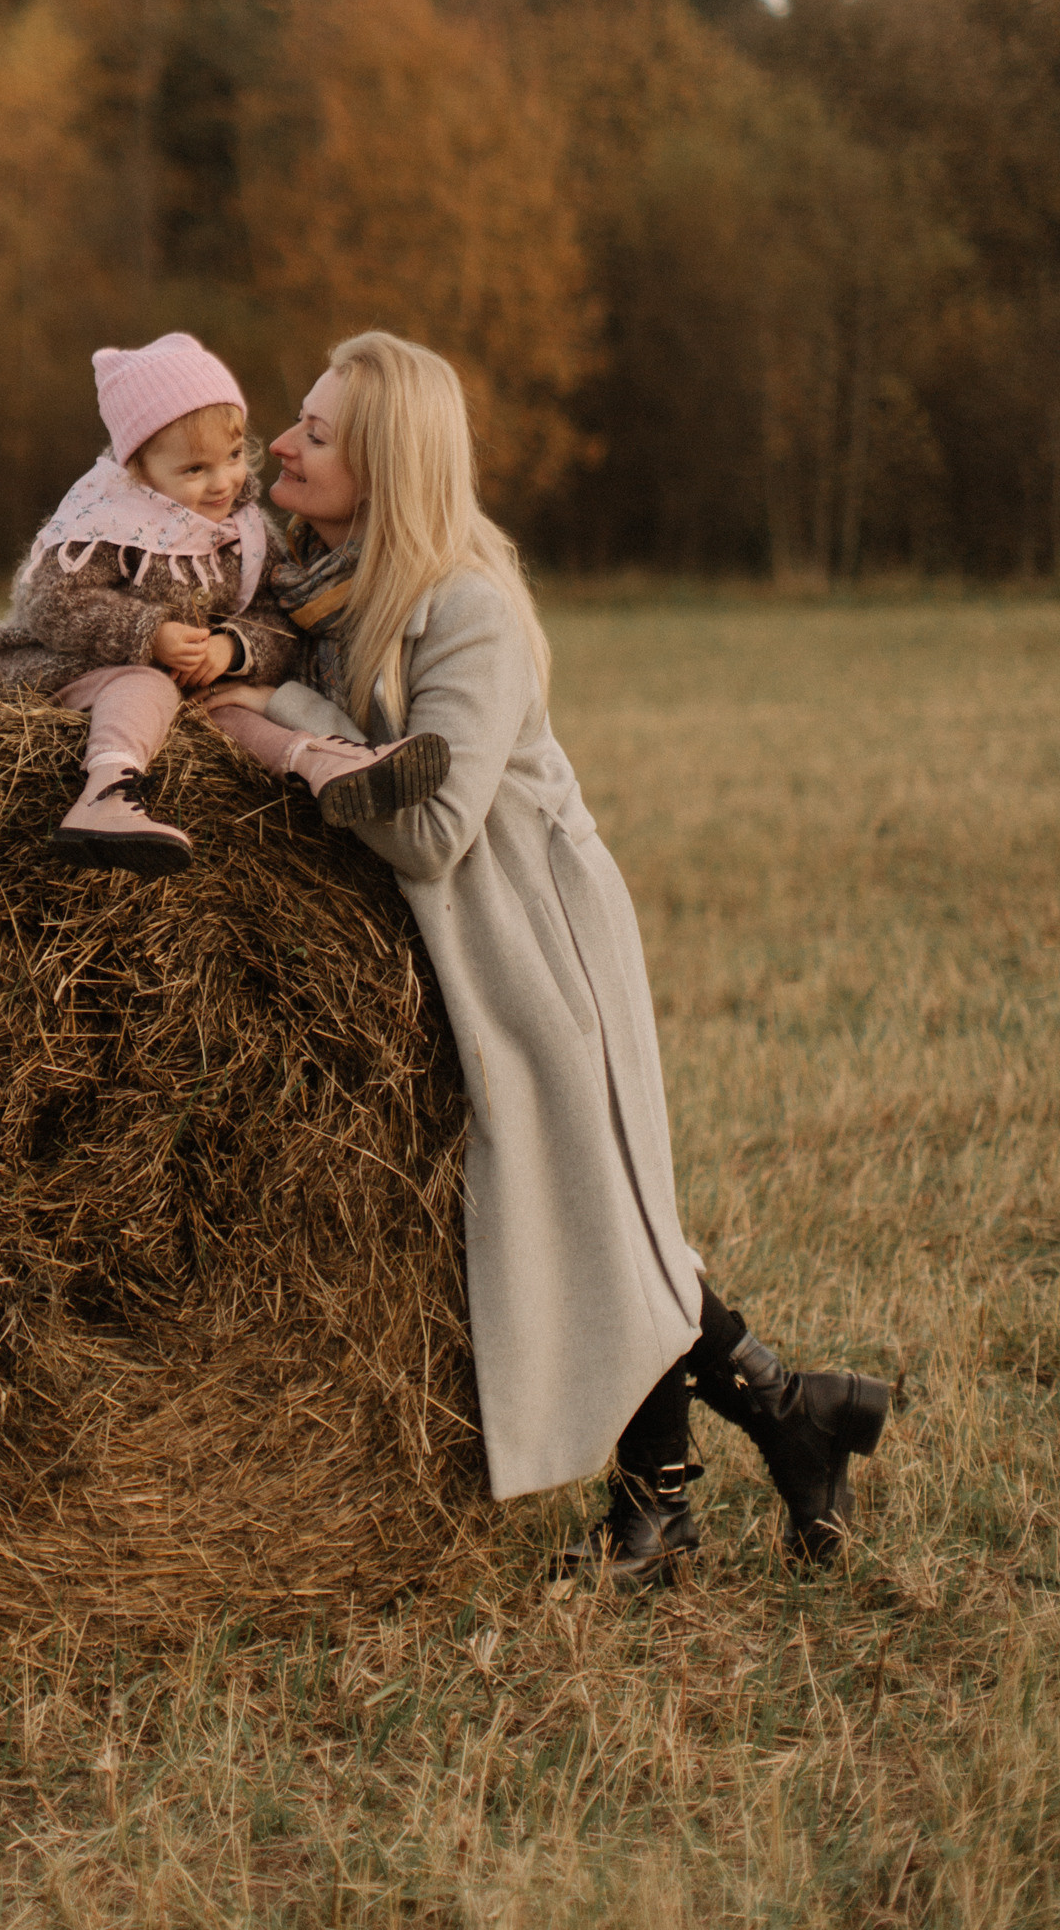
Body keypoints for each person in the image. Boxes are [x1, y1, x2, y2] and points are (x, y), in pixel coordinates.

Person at [206, 329, 891, 1583]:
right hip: (470, 947)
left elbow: (426, 828)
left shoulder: (464, 605)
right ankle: (779, 1426)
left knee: (590, 1218)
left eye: (314, 428)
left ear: (388, 460)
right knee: (594, 1219)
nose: (284, 442)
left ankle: (685, 1497)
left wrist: (273, 720)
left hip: (538, 943)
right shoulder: (324, 589)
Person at [0, 330, 449, 876]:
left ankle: (324, 763)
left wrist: (231, 649)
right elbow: (50, 602)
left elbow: (273, 616)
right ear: (139, 471)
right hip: (67, 672)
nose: (223, 482)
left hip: (185, 690)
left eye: (233, 456)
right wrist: (149, 633)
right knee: (145, 682)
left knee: (230, 709)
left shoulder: (245, 533)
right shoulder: (105, 525)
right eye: (195, 470)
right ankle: (105, 794)